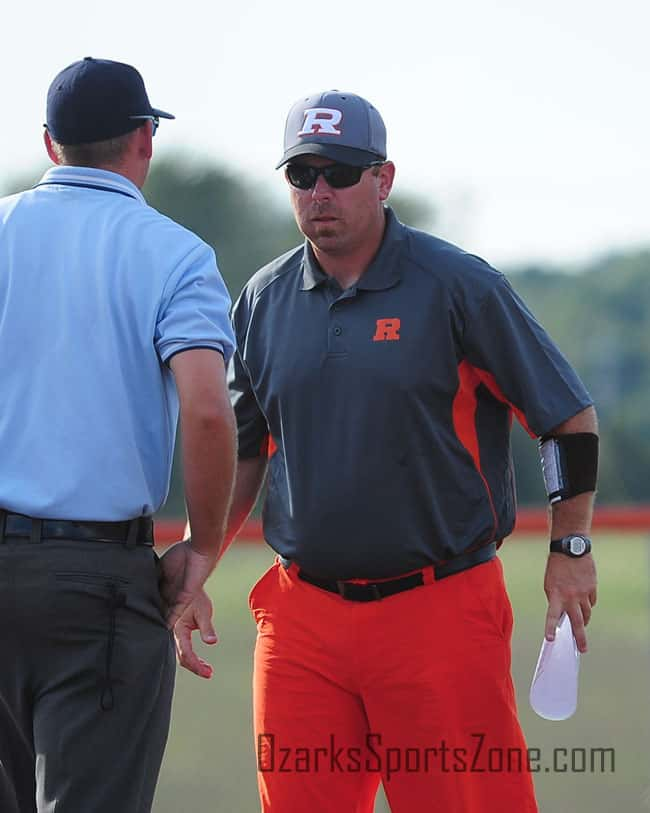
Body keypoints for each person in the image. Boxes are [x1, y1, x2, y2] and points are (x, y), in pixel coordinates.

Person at [179, 90, 599, 812]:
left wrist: (571, 548)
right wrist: (196, 560)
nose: (319, 191)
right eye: (301, 173)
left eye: (339, 172)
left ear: (383, 177)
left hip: (437, 608)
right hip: (304, 614)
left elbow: (567, 418)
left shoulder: (457, 285)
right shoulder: (264, 297)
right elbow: (245, 447)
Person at [0, 57, 237, 813]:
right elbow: (207, 410)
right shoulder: (174, 252)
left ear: (48, 143)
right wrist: (202, 546)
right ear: (145, 139)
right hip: (99, 576)